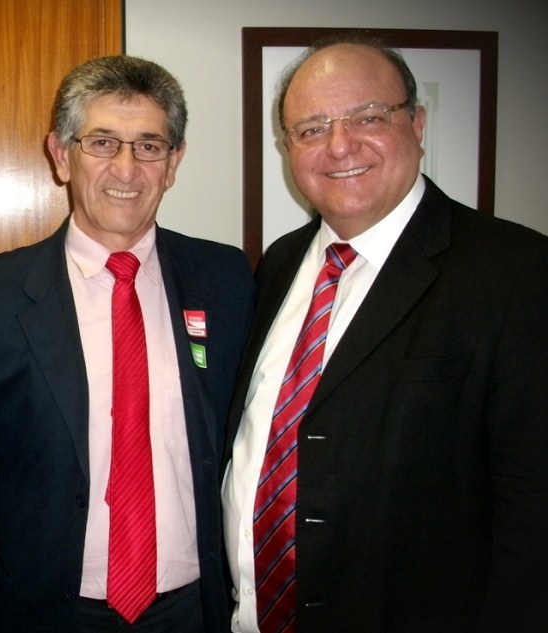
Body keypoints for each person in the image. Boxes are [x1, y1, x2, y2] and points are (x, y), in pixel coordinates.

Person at [222, 35, 548, 633]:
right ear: (288, 147)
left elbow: (534, 516)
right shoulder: (279, 264)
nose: (339, 145)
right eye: (312, 128)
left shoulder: (518, 273)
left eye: (368, 117)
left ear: (416, 124)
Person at [0, 55, 254, 633]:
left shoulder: (226, 280)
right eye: (103, 142)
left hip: (193, 609)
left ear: (174, 163)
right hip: (47, 612)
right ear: (61, 155)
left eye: (149, 146)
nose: (127, 168)